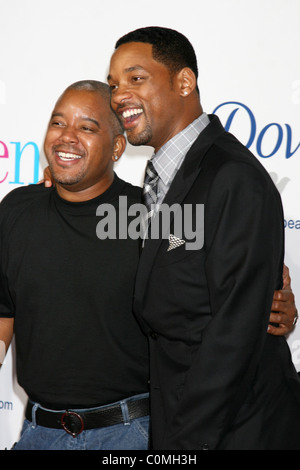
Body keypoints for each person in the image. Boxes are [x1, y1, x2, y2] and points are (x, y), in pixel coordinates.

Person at [107, 26, 300, 450]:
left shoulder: (232, 177)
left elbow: (234, 336)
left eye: (135, 78)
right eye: (114, 84)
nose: (119, 94)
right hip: (181, 415)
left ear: (184, 82)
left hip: (236, 429)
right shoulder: (158, 179)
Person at [0, 80, 150, 450]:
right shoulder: (18, 208)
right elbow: (3, 310)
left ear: (117, 147)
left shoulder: (150, 215)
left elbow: (226, 271)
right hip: (38, 433)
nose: (67, 137)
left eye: (86, 127)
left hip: (128, 433)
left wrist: (277, 299)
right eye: (58, 123)